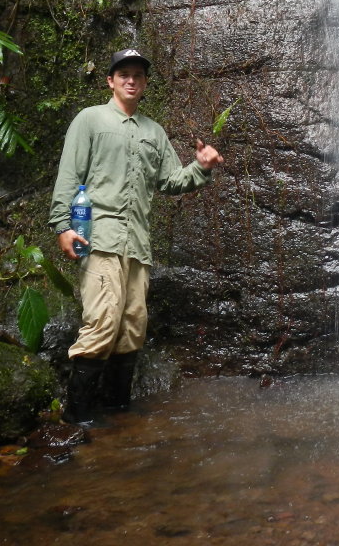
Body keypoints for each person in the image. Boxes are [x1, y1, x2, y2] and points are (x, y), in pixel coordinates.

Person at [49, 48, 224, 425]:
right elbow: (69, 174)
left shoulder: (153, 132)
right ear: (110, 80)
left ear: (145, 84)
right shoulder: (90, 120)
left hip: (138, 245)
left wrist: (202, 166)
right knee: (101, 323)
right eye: (123, 73)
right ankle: (75, 420)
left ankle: (117, 417)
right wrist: (62, 226)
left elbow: (171, 181)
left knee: (131, 328)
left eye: (138, 75)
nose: (131, 79)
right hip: (100, 240)